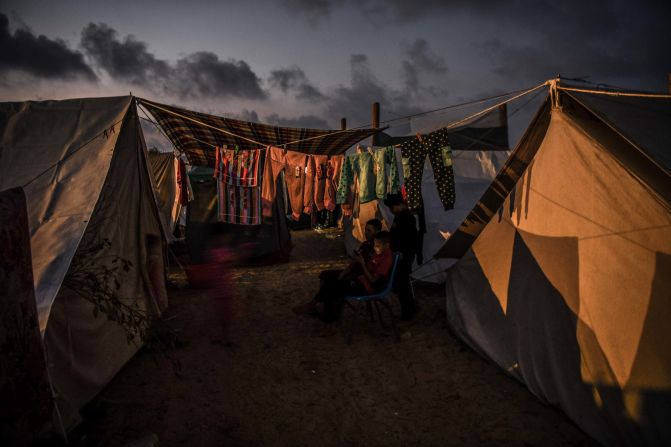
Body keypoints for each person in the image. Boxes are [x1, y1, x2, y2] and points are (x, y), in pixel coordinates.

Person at [294, 231, 394, 322]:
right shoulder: (378, 252)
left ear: (387, 245)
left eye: (378, 245)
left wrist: (362, 264)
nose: (375, 247)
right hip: (361, 280)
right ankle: (321, 313)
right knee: (331, 283)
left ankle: (322, 315)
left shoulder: (387, 258)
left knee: (333, 287)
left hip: (367, 287)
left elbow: (373, 280)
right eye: (375, 245)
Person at [383, 193, 418, 321]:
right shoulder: (400, 217)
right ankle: (411, 308)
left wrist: (401, 252)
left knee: (401, 284)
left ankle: (408, 313)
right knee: (402, 284)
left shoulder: (407, 218)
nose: (391, 211)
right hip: (400, 255)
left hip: (404, 255)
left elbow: (408, 239)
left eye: (393, 207)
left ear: (399, 205)